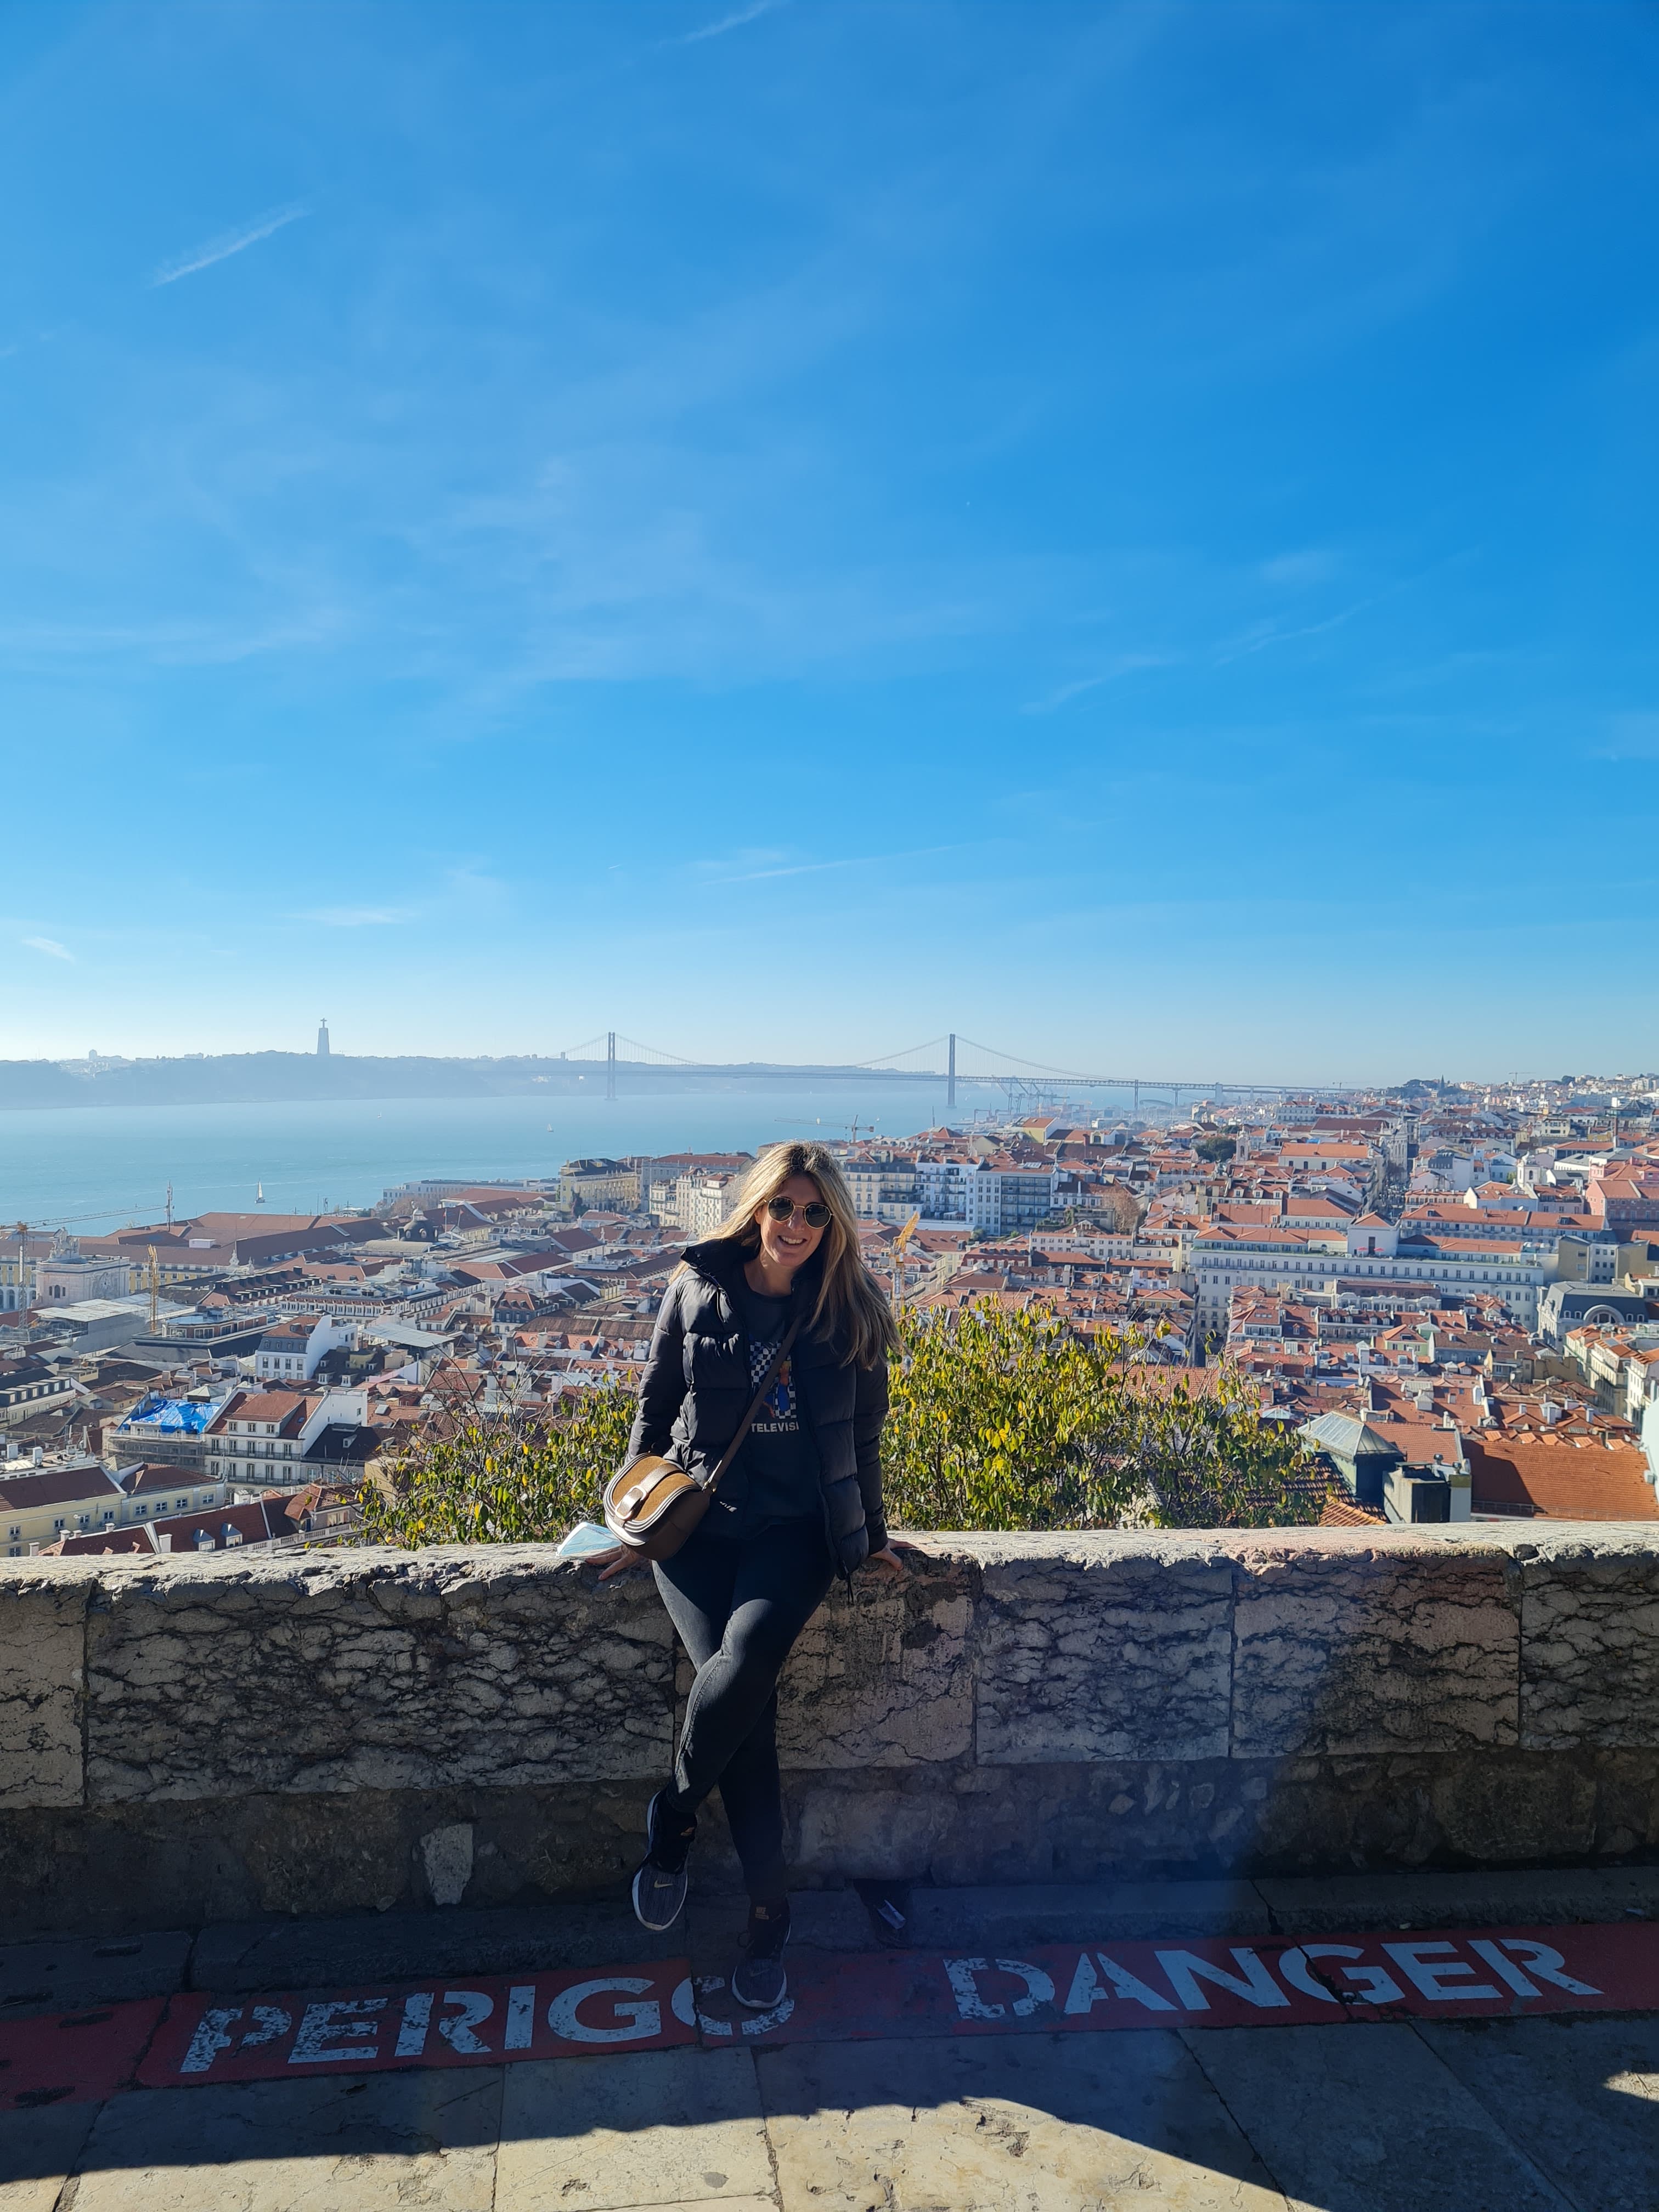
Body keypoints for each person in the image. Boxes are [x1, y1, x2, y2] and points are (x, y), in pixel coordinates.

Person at [611, 1140, 906, 2010]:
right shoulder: (694, 1287)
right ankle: (769, 1915)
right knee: (746, 1719)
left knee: (741, 1667)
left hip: (797, 1533)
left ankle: (672, 1817)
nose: (799, 1226)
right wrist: (632, 1518)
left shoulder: (852, 1309)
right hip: (700, 1529)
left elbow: (863, 1440)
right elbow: (654, 1409)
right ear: (757, 1208)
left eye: (818, 1213)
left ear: (835, 1224)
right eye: (785, 1207)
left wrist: (872, 1537)